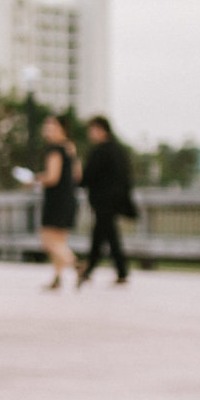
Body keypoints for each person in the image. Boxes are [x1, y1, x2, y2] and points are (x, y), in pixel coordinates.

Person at [78, 115, 135, 287]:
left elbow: (87, 177)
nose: (91, 134)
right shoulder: (118, 151)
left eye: (93, 130)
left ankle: (95, 270)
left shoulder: (100, 151)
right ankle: (98, 269)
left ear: (102, 130)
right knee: (105, 235)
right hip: (114, 201)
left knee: (106, 235)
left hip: (103, 201)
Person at [35, 115, 79, 290]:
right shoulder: (70, 148)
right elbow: (77, 175)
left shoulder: (54, 150)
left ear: (62, 129)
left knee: (47, 239)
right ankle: (57, 278)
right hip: (69, 197)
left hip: (56, 199)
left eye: (51, 126)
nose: (47, 129)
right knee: (60, 241)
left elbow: (52, 177)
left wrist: (35, 179)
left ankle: (76, 265)